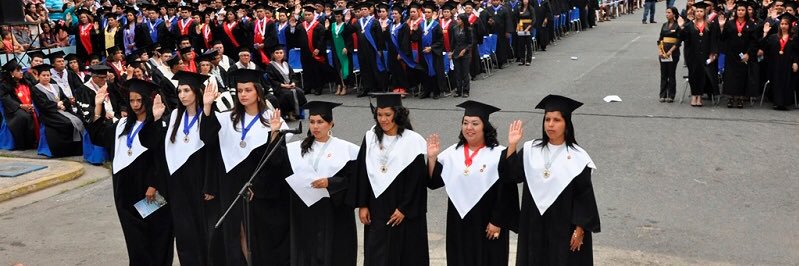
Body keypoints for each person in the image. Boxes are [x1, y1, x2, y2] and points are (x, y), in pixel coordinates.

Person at [200, 69, 291, 266]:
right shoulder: (227, 118)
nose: (242, 94)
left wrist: (274, 134)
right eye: (240, 90)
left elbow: (276, 163)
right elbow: (207, 139)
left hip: (258, 188)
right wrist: (207, 106)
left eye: (248, 90)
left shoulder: (271, 119)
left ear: (258, 92)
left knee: (255, 233)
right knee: (235, 230)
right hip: (231, 184)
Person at [86, 79, 174, 266]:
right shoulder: (122, 125)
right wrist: (98, 105)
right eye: (132, 100)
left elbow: (161, 157)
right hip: (125, 192)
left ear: (147, 101)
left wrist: (154, 184)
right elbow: (98, 136)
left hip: (151, 191)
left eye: (139, 100)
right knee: (135, 239)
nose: (135, 105)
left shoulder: (159, 124)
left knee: (157, 233)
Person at [507, 95, 600, 265]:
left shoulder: (578, 157)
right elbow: (512, 175)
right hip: (534, 224)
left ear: (566, 124)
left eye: (556, 120)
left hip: (563, 226)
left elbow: (584, 196)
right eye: (547, 119)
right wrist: (512, 145)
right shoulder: (531, 150)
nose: (550, 124)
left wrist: (580, 229)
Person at [425, 100, 519, 266]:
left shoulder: (497, 154)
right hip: (458, 223)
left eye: (475, 123)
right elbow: (434, 182)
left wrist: (497, 221)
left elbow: (507, 190)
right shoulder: (453, 153)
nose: (469, 128)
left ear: (485, 127)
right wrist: (432, 158)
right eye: (465, 123)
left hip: (488, 223)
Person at [356, 93, 429, 266]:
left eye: (388, 115)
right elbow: (362, 172)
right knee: (377, 253)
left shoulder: (412, 141)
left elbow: (417, 180)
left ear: (398, 114)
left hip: (403, 210)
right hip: (376, 207)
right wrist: (363, 204)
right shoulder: (370, 138)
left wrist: (404, 208)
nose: (383, 119)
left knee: (404, 253)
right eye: (379, 114)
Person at [285, 101, 359, 266]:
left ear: (330, 123)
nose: (315, 127)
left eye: (320, 122)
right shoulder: (296, 148)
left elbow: (354, 181)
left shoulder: (347, 150)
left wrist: (330, 182)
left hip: (333, 210)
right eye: (312, 122)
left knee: (333, 251)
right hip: (305, 209)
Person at [162, 71, 214, 266]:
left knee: (203, 230)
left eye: (186, 90)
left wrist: (209, 185)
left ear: (196, 92)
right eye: (179, 91)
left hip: (199, 182)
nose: (182, 95)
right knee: (184, 232)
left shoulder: (207, 115)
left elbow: (212, 149)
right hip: (178, 183)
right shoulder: (175, 115)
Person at [30, 64, 84, 157]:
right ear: (38, 76)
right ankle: (63, 151)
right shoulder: (36, 89)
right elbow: (42, 105)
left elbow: (65, 99)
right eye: (43, 75)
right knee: (67, 123)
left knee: (78, 119)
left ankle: (77, 150)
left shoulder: (55, 86)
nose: (46, 77)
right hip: (48, 114)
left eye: (48, 75)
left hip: (61, 111)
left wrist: (63, 104)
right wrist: (57, 105)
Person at [678, 1, 719, 107]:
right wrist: (681, 27)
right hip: (692, 54)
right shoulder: (689, 25)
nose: (699, 13)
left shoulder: (710, 24)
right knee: (693, 75)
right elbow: (682, 38)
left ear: (705, 12)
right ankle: (693, 96)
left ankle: (699, 96)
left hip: (705, 54)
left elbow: (714, 40)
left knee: (702, 76)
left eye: (701, 11)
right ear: (694, 12)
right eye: (697, 11)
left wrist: (713, 53)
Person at [720, 1, 756, 108]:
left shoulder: (751, 24)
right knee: (730, 76)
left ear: (746, 12)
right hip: (731, 54)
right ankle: (731, 98)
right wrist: (721, 28)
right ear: (736, 11)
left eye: (743, 10)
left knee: (742, 76)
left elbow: (753, 41)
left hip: (744, 54)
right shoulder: (730, 23)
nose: (740, 12)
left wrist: (748, 54)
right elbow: (723, 38)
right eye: (739, 10)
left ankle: (740, 98)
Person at [760, 13, 798, 110]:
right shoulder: (773, 37)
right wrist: (765, 33)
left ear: (789, 26)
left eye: (786, 24)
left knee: (787, 81)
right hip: (775, 64)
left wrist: (795, 62)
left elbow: (796, 52)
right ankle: (776, 102)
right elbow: (763, 48)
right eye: (782, 24)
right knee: (776, 81)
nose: (783, 26)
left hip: (788, 64)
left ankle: (784, 103)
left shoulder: (794, 38)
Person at [0, 59, 38, 150]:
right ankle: (25, 144)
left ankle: (37, 141)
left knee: (38, 113)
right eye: (18, 71)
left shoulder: (25, 81)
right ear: (11, 73)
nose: (21, 72)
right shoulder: (4, 85)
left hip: (30, 106)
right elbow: (5, 98)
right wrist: (21, 106)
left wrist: (32, 105)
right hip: (14, 109)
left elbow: (35, 93)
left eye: (21, 70)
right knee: (24, 117)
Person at [353, 2, 386, 97]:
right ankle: (367, 88)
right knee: (364, 69)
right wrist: (347, 21)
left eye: (365, 9)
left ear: (369, 10)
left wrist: (379, 49)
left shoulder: (374, 22)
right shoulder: (358, 22)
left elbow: (379, 37)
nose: (363, 11)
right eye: (361, 10)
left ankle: (377, 88)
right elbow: (348, 31)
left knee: (374, 68)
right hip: (361, 49)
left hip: (372, 49)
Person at [265, 47, 307, 121]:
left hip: (290, 85)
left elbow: (293, 75)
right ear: (273, 54)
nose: (279, 55)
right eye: (277, 53)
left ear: (283, 54)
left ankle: (298, 112)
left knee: (299, 91)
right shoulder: (270, 66)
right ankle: (289, 113)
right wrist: (283, 85)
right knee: (287, 94)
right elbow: (272, 80)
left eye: (281, 53)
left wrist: (293, 83)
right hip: (279, 87)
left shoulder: (286, 64)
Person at [386, 5, 416, 95]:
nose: (394, 15)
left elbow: (405, 41)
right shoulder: (390, 26)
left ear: (400, 15)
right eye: (392, 14)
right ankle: (396, 87)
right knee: (394, 69)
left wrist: (401, 53)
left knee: (401, 70)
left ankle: (403, 88)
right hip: (391, 52)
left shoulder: (404, 26)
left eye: (396, 13)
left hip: (400, 52)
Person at [419, 1, 445, 99]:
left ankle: (436, 91)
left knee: (434, 72)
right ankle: (426, 91)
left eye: (429, 12)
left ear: (433, 13)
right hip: (423, 53)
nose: (427, 14)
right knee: (424, 72)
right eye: (425, 12)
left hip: (433, 53)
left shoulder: (436, 25)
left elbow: (440, 41)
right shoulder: (421, 25)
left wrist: (431, 48)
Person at [328, 8, 354, 95]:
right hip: (335, 49)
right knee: (337, 68)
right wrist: (326, 29)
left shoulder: (345, 25)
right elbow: (328, 37)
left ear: (342, 16)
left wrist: (347, 47)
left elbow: (349, 37)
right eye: (336, 17)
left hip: (343, 50)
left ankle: (345, 86)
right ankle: (339, 85)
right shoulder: (332, 25)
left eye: (339, 16)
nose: (337, 18)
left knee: (344, 68)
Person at [658, 7, 682, 103]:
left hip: (673, 52)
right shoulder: (664, 25)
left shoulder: (677, 26)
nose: (667, 14)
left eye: (669, 12)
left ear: (674, 14)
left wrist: (671, 51)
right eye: (666, 12)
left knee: (671, 74)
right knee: (664, 74)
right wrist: (660, 50)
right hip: (663, 51)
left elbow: (679, 41)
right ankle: (662, 94)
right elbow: (660, 39)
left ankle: (671, 95)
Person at [451, 14, 474, 98]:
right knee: (457, 72)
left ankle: (466, 90)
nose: (458, 21)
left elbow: (471, 43)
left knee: (465, 72)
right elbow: (453, 42)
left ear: (463, 20)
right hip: (457, 52)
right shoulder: (454, 29)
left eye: (459, 19)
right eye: (457, 19)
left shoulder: (469, 29)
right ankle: (458, 90)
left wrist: (464, 50)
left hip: (465, 53)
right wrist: (451, 52)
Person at [515, 0, 535, 66]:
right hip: (521, 27)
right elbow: (517, 18)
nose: (525, 1)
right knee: (521, 44)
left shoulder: (531, 8)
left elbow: (533, 19)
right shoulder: (519, 8)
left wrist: (528, 28)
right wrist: (517, 27)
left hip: (528, 27)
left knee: (528, 44)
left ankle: (528, 60)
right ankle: (522, 59)